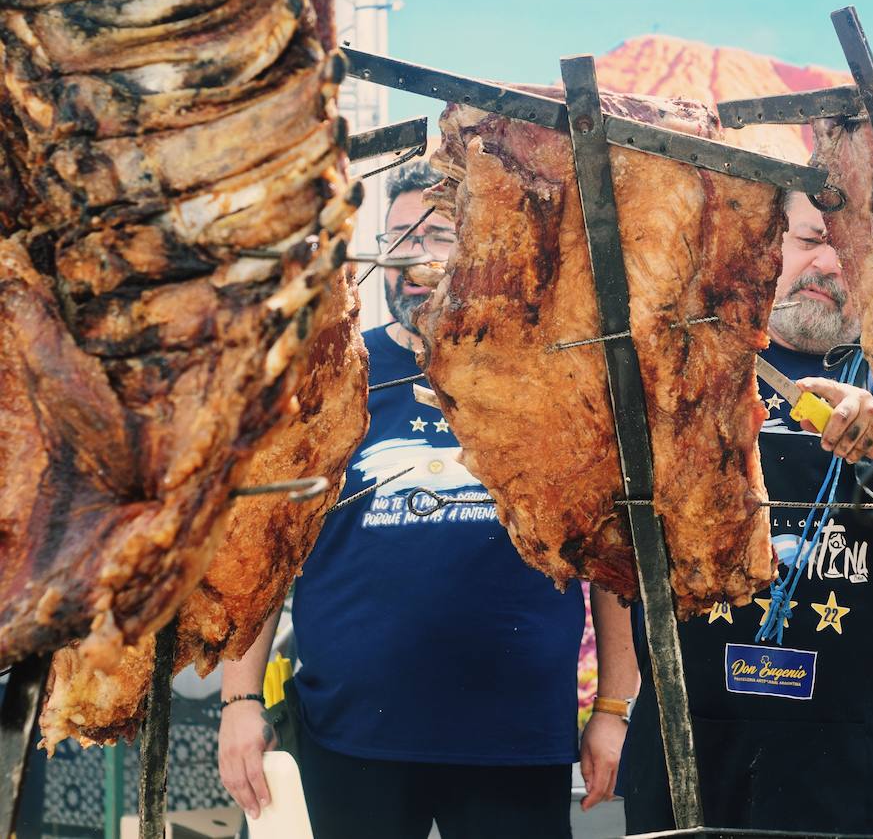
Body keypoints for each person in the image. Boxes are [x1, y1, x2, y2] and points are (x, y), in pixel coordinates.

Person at [216, 160, 635, 839]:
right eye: (397, 237)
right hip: (352, 739)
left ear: (483, 247)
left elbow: (611, 556)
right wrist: (238, 702)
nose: (414, 257)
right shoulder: (330, 377)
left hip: (516, 737)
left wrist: (613, 709)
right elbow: (266, 545)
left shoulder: (545, 383)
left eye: (438, 235)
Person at [615, 192, 873, 835]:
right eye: (810, 239)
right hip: (696, 746)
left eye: (854, 253)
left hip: (858, 758)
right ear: (766, 246)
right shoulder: (681, 368)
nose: (829, 264)